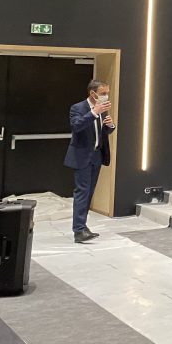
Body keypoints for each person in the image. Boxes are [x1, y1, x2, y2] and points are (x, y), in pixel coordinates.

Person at [64, 79, 115, 243]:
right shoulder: (77, 108)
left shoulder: (103, 109)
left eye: (107, 93)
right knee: (82, 192)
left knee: (89, 193)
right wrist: (93, 112)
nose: (105, 96)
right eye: (102, 93)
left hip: (96, 156)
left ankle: (83, 226)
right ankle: (78, 230)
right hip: (81, 157)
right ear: (92, 94)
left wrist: (111, 126)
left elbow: (103, 132)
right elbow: (77, 126)